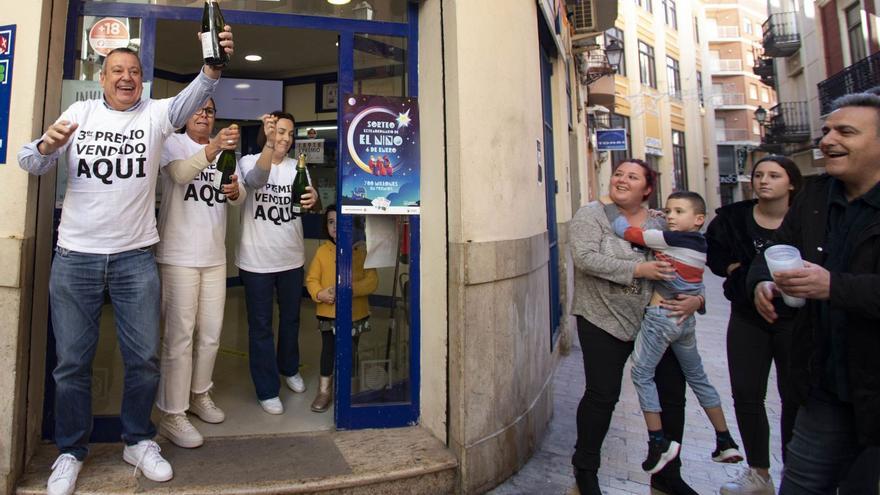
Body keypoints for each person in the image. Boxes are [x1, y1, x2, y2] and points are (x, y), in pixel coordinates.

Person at [17, 26, 234, 495]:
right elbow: (28, 162)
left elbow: (192, 95)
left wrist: (212, 69)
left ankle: (138, 440)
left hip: (136, 258)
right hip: (75, 257)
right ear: (102, 77)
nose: (126, 78)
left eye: (134, 71)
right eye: (117, 70)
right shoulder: (79, 111)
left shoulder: (157, 115)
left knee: (144, 359)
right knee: (72, 362)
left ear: (142, 80)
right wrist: (45, 147)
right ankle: (71, 452)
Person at [748, 93, 880, 494]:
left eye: (845, 131)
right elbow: (774, 250)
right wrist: (762, 282)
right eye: (826, 131)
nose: (826, 140)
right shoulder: (817, 197)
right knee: (801, 485)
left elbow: (834, 285)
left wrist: (833, 286)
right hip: (823, 385)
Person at [569, 159, 704, 495]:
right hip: (602, 317)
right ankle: (585, 471)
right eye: (618, 174)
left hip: (657, 321)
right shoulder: (591, 215)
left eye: (632, 176)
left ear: (647, 188)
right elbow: (584, 258)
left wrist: (698, 301)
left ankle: (667, 475)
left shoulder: (663, 221)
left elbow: (693, 266)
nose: (622, 179)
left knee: (672, 396)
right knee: (602, 396)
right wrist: (639, 271)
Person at [612, 191, 742, 474]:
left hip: (662, 317)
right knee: (698, 377)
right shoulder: (699, 244)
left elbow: (630, 233)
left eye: (678, 212)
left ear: (698, 219)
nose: (670, 216)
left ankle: (658, 442)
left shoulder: (673, 239)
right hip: (685, 321)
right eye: (669, 210)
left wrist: (617, 214)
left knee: (641, 373)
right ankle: (725, 439)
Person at [706, 155, 802, 495]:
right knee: (746, 394)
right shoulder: (732, 219)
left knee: (795, 396)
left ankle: (796, 471)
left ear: (790, 182)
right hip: (748, 316)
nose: (763, 180)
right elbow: (715, 257)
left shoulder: (808, 218)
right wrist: (736, 272)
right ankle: (758, 473)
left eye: (774, 175)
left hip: (796, 320)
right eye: (758, 174)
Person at [155, 98, 245, 448]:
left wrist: (236, 191)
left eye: (209, 111)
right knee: (179, 337)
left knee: (210, 334)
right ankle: (171, 413)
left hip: (214, 254)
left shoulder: (225, 151)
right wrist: (214, 148)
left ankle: (198, 394)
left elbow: (234, 197)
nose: (204, 115)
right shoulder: (171, 142)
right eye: (198, 109)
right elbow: (179, 175)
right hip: (177, 254)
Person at [237, 110, 319, 415]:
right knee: (260, 327)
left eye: (289, 133)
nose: (285, 138)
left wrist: (313, 201)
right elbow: (256, 181)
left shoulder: (298, 167)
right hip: (256, 260)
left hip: (290, 258)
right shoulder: (249, 160)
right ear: (269, 131)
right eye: (280, 131)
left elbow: (309, 204)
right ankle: (267, 389)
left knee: (291, 320)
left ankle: (289, 368)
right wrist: (269, 145)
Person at [305, 206, 378, 412]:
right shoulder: (322, 251)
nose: (335, 226)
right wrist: (319, 293)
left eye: (340, 220)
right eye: (330, 222)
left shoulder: (361, 253)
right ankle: (325, 391)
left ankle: (350, 390)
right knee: (328, 351)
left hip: (356, 313)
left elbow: (372, 281)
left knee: (352, 350)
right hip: (328, 313)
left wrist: (349, 289)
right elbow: (311, 279)